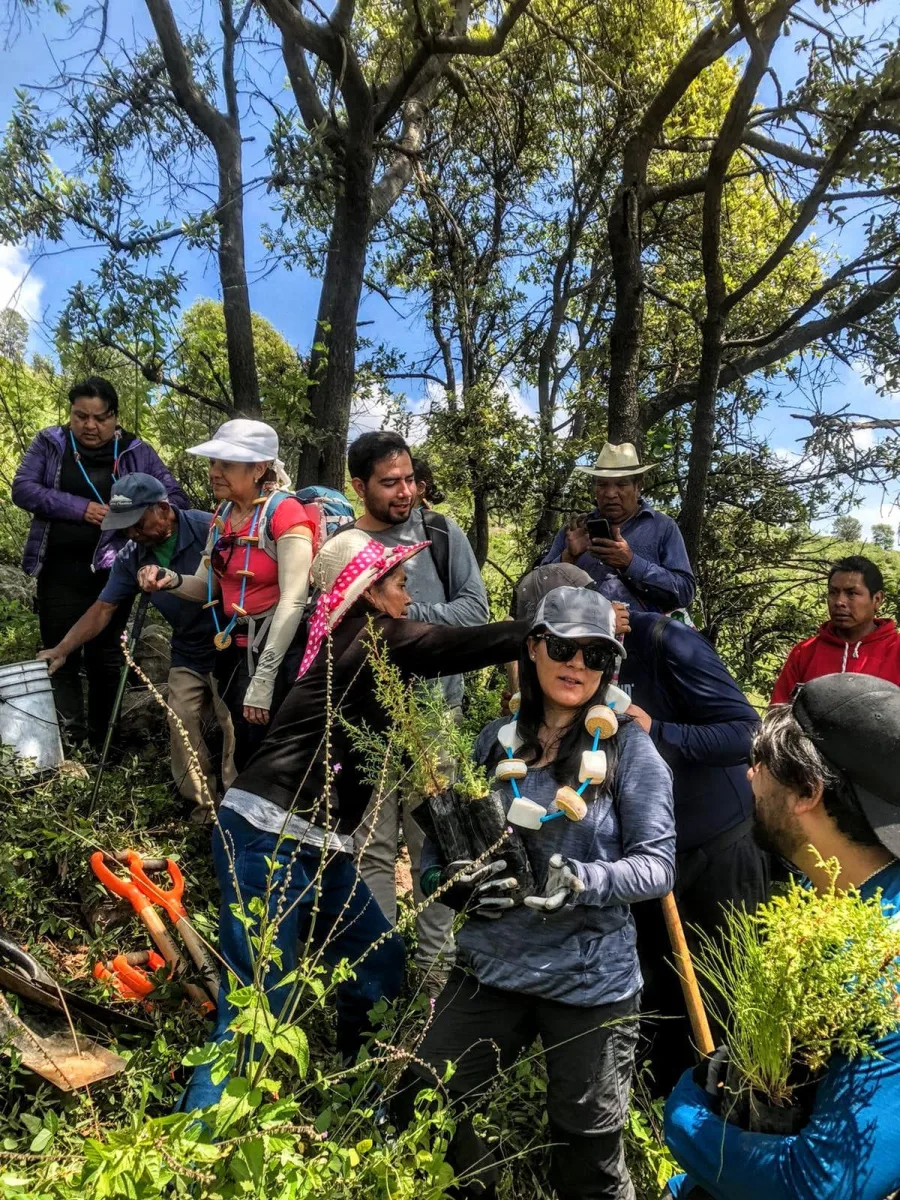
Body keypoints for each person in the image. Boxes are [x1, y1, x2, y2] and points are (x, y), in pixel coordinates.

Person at [179, 529, 530, 1111]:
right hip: (268, 837)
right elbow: (445, 644)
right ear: (367, 592)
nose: (407, 589)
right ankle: (194, 1154)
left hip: (324, 846)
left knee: (379, 963)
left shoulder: (357, 649)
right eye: (396, 581)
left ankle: (355, 1092)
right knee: (258, 1005)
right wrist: (538, 634)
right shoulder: (369, 637)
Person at [395, 587, 676, 1200]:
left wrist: (585, 882)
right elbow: (445, 853)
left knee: (589, 1148)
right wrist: (454, 888)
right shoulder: (495, 741)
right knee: (425, 1104)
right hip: (490, 969)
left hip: (589, 982)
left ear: (611, 666)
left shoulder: (630, 748)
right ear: (533, 648)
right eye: (561, 646)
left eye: (595, 654)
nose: (576, 664)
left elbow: (657, 867)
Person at [664, 673, 900, 1200]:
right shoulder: (828, 893)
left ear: (807, 792)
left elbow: (823, 1185)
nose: (749, 778)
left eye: (762, 765)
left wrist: (682, 1118)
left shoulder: (883, 961)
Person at [347, 431, 490, 983]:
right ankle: (381, 970)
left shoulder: (440, 532)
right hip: (366, 719)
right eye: (389, 483)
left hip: (435, 717)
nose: (404, 491)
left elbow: (475, 610)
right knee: (373, 849)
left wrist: (399, 617)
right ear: (360, 486)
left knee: (439, 844)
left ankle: (434, 973)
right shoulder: (344, 545)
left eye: (409, 479)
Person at [619, 609, 768, 1093]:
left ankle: (733, 1107)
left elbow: (747, 732)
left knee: (725, 988)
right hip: (648, 853)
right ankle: (663, 1108)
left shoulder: (668, 641)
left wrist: (660, 732)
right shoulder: (571, 665)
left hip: (720, 842)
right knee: (659, 986)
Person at [36, 474, 234, 816]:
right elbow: (103, 609)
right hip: (187, 648)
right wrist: (62, 648)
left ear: (162, 508)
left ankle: (238, 810)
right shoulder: (132, 554)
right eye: (125, 526)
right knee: (180, 719)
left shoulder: (209, 528)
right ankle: (204, 809)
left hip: (229, 644)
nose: (132, 532)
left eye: (138, 523)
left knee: (232, 724)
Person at [12, 376, 189, 749]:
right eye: (81, 417)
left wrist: (145, 518)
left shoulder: (135, 450)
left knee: (107, 656)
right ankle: (67, 743)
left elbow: (173, 497)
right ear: (70, 415)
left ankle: (104, 746)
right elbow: (24, 488)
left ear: (115, 417)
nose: (91, 426)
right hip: (60, 568)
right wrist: (81, 509)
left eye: (101, 418)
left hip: (114, 567)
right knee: (60, 651)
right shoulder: (51, 443)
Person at [136, 420, 318, 772]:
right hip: (235, 650)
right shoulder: (223, 515)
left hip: (280, 651)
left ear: (259, 468)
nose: (214, 472)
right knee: (246, 744)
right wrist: (171, 579)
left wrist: (264, 679)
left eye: (226, 464)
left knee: (273, 751)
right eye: (213, 463)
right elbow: (208, 585)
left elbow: (294, 599)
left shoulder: (286, 513)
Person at [542, 441, 695, 612]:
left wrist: (631, 563)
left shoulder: (663, 527)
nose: (610, 494)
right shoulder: (575, 531)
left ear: (638, 487)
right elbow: (538, 589)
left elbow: (685, 592)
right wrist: (568, 557)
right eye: (602, 485)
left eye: (621, 485)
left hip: (639, 635)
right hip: (576, 633)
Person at [771, 555, 900, 703]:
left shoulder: (896, 651)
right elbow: (778, 713)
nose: (839, 602)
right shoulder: (804, 652)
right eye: (833, 592)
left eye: (851, 593)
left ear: (877, 599)